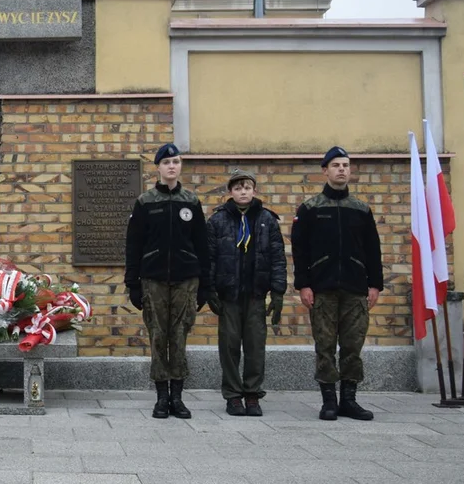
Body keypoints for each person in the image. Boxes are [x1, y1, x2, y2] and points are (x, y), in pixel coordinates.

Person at [291, 146, 383, 421]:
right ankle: (329, 400)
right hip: (322, 289)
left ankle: (350, 401)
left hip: (355, 289)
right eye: (336, 165)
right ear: (325, 171)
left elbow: (373, 250)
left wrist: (374, 284)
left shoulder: (360, 210)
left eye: (345, 165)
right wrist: (304, 285)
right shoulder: (310, 209)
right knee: (325, 345)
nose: (342, 169)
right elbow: (300, 251)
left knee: (353, 346)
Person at [125, 143, 210, 419]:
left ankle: (178, 397)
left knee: (180, 337)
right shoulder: (145, 202)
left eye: (176, 161)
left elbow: (202, 245)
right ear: (158, 167)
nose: (172, 166)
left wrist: (205, 285)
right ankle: (162, 398)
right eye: (166, 162)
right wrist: (133, 284)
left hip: (187, 281)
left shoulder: (191, 202)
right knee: (158, 338)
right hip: (154, 281)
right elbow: (133, 246)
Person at [205, 169, 287, 417]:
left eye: (247, 187)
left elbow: (277, 258)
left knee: (255, 346)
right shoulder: (217, 221)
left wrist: (279, 291)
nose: (243, 192)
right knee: (229, 347)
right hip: (229, 295)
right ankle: (232, 395)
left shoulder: (266, 219)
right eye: (238, 188)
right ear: (230, 191)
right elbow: (209, 258)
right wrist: (209, 289)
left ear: (254, 191)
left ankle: (252, 394)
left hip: (256, 293)